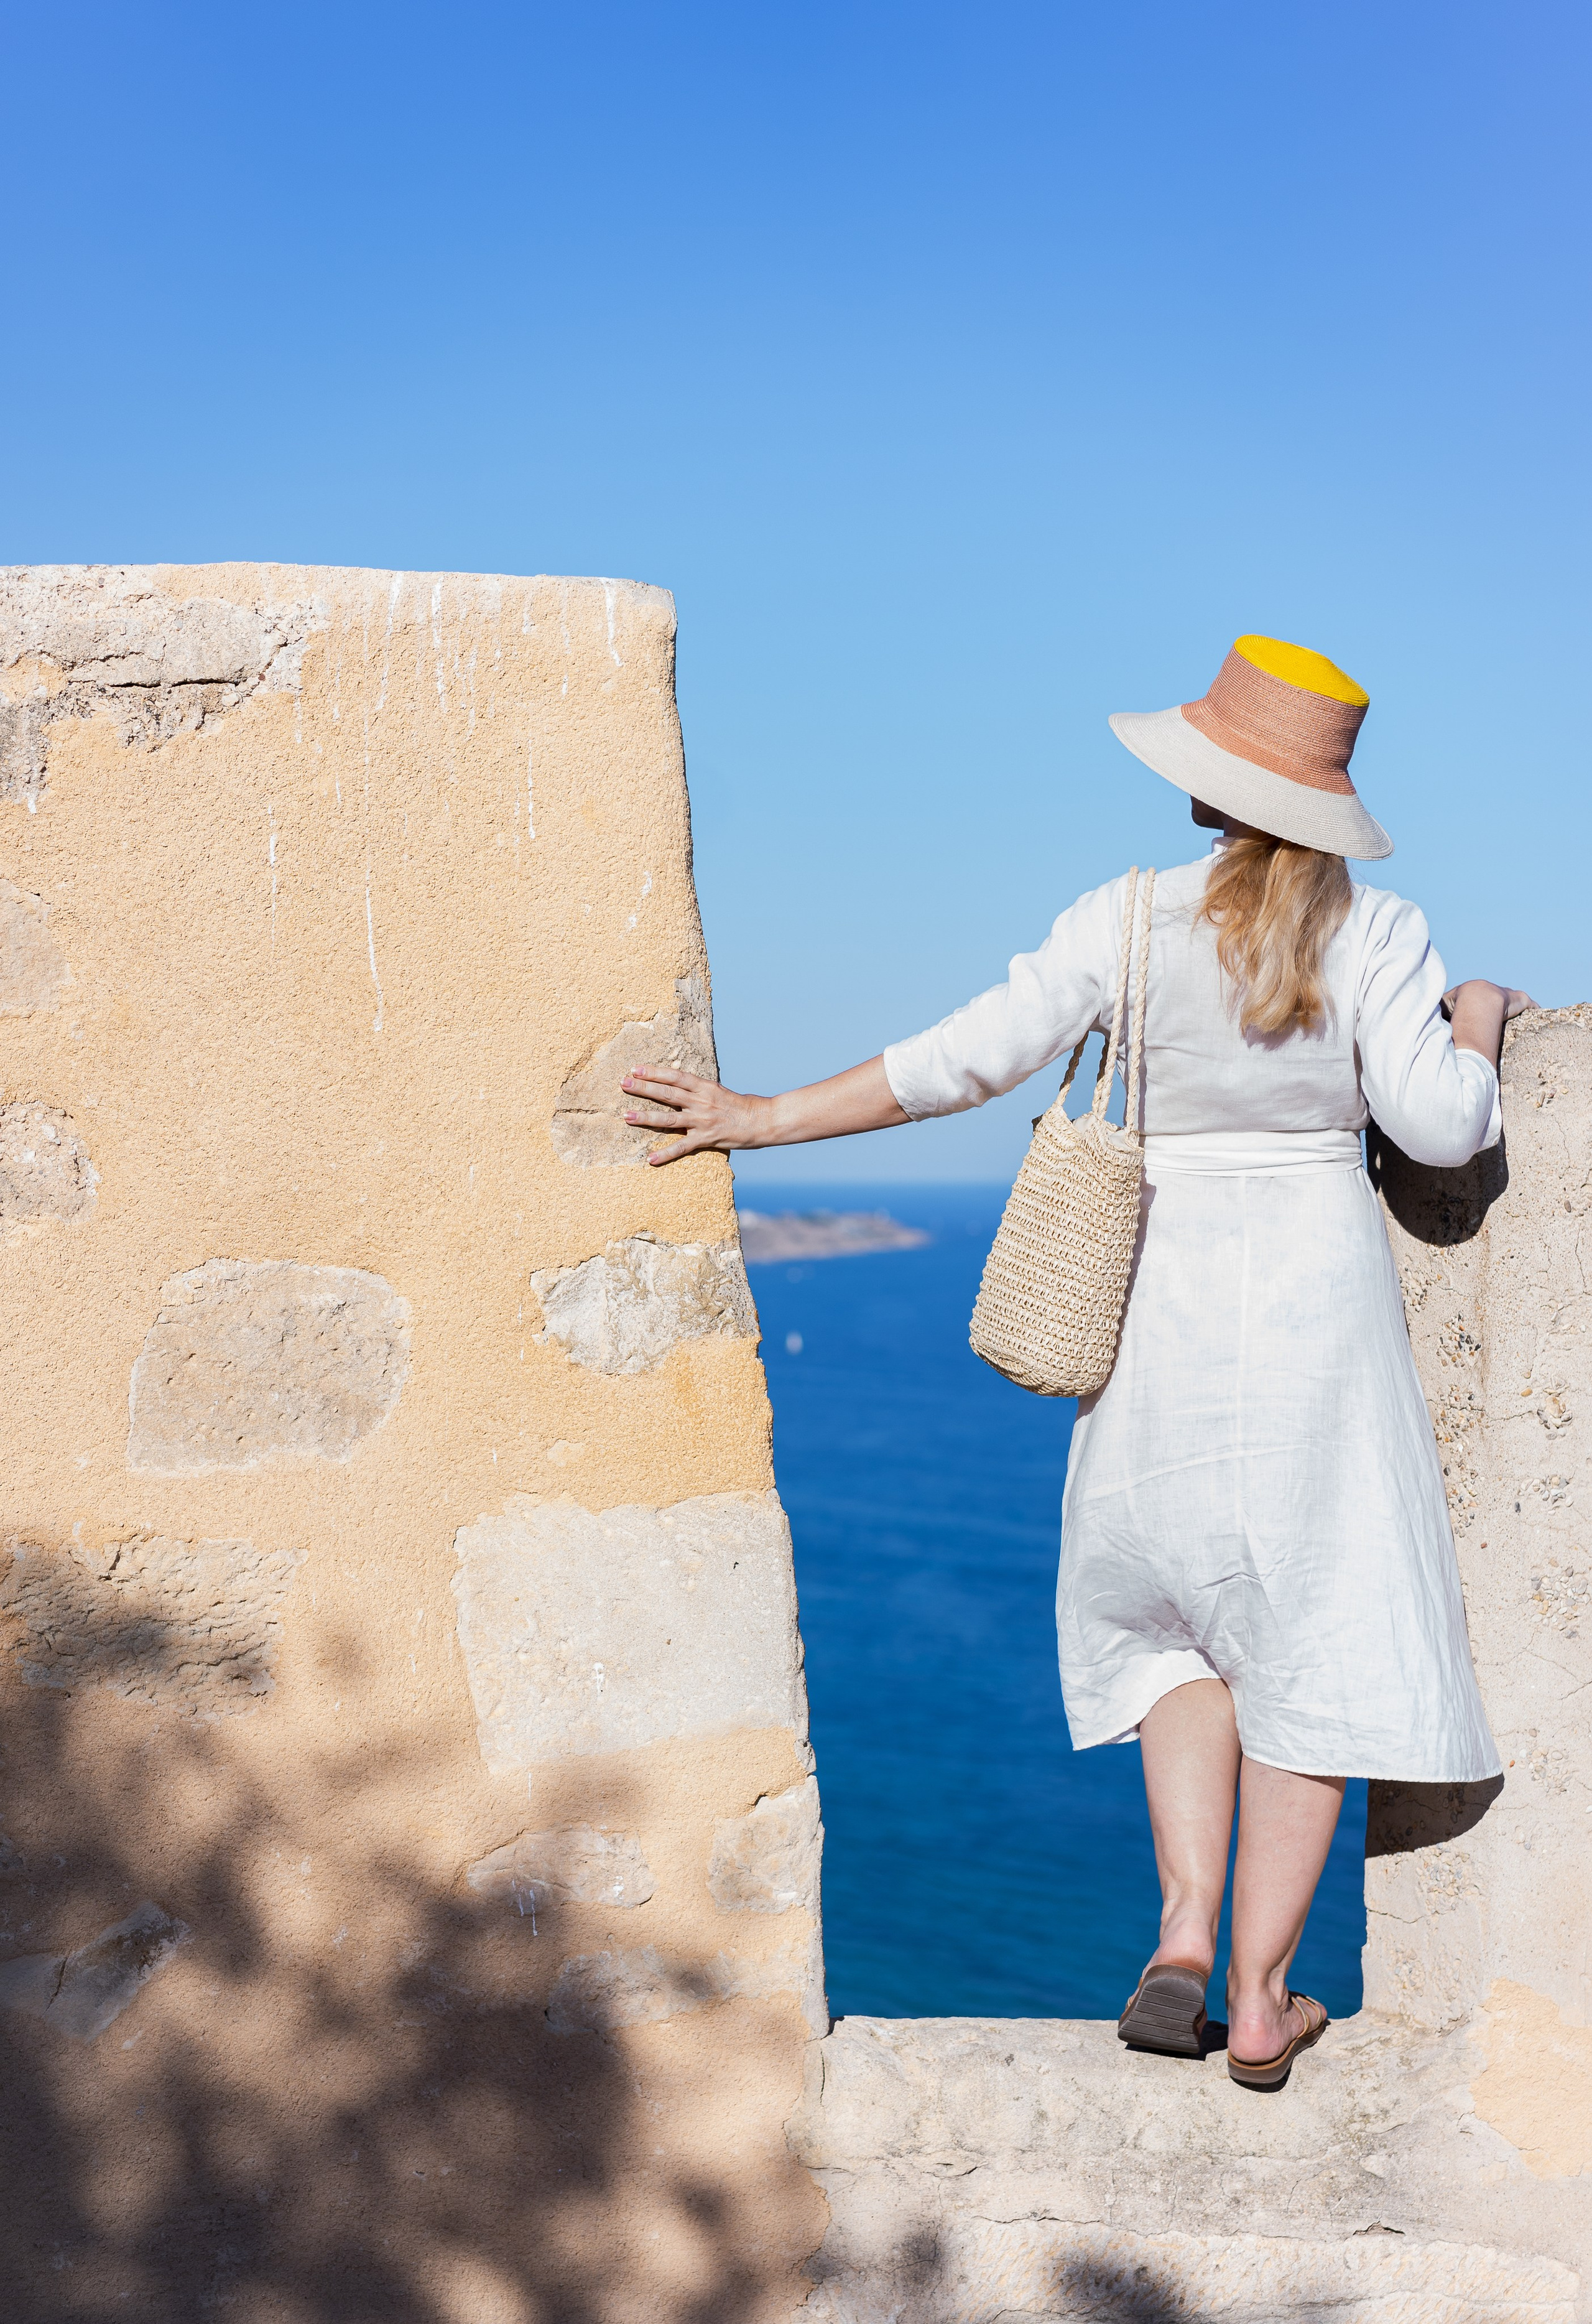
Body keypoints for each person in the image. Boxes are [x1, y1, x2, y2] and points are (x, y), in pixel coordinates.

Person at [621, 634, 1528, 2091]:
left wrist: (754, 1114)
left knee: (1172, 1621)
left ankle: (1175, 1937)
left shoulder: (1123, 922)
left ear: (1203, 784)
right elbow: (1436, 1127)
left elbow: (956, 1062)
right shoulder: (1379, 929)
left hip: (1157, 1303)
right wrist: (1472, 1022)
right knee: (1313, 1639)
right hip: (1316, 1317)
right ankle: (1256, 1994)